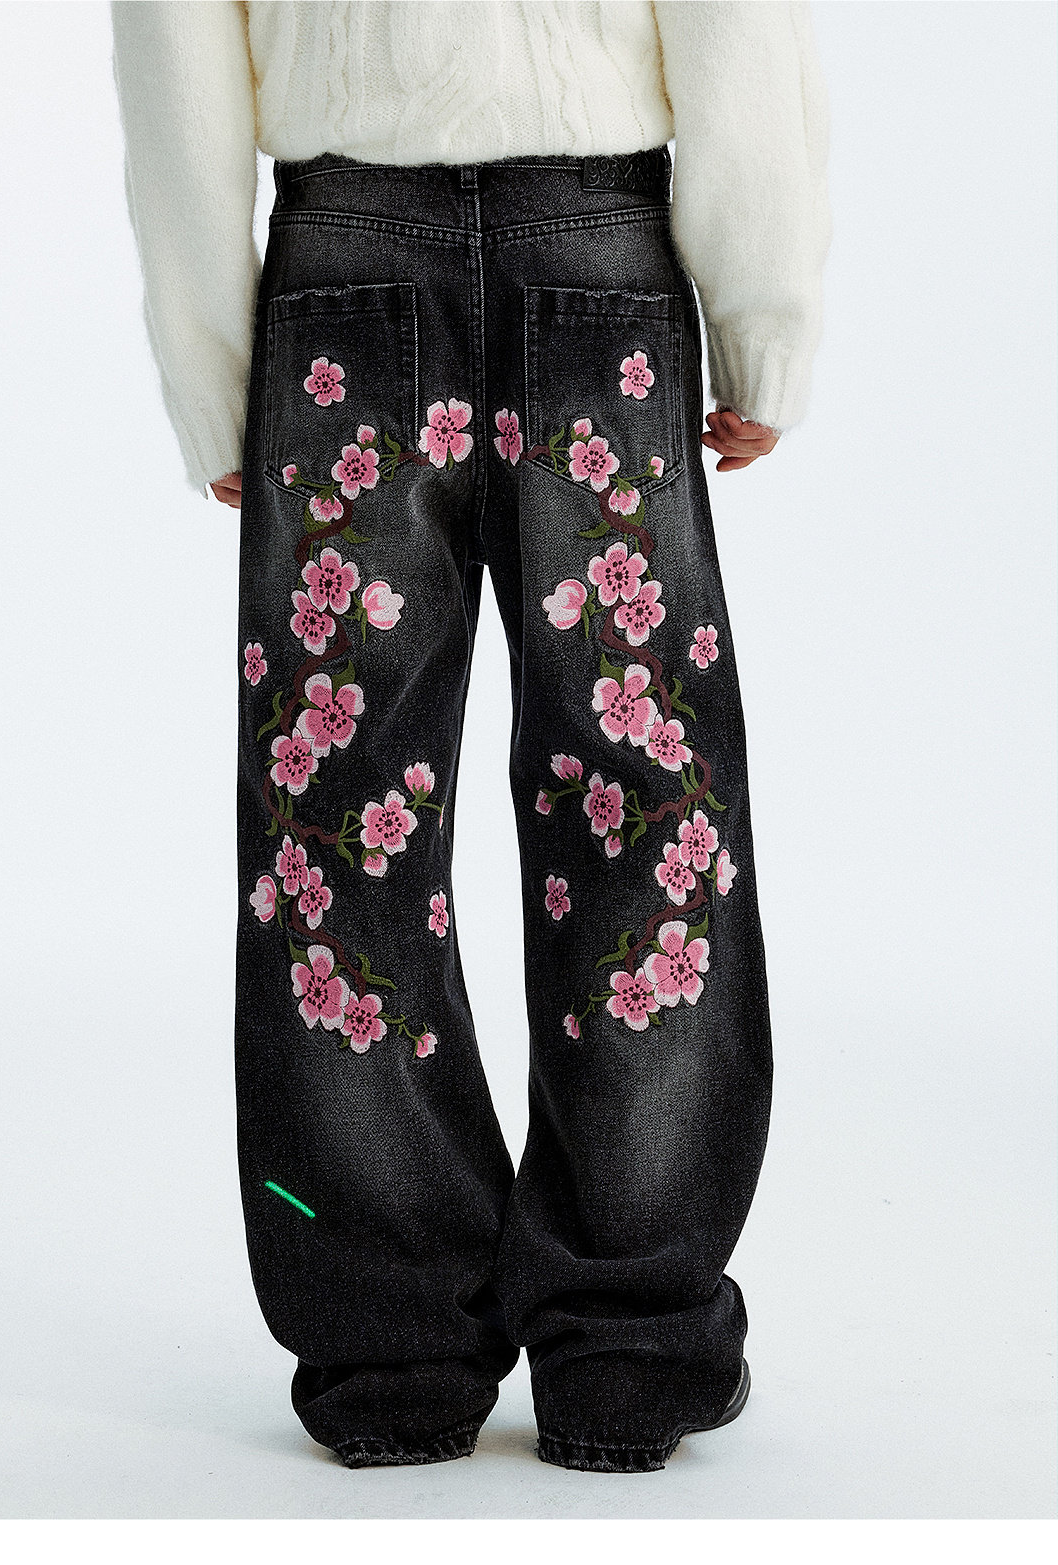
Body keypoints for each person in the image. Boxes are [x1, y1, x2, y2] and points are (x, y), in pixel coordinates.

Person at [110, 0, 831, 1473]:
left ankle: (392, 1344)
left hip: (344, 269)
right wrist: (763, 310)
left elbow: (173, 42)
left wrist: (210, 363)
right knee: (644, 804)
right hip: (597, 253)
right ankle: (627, 1342)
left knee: (333, 826)